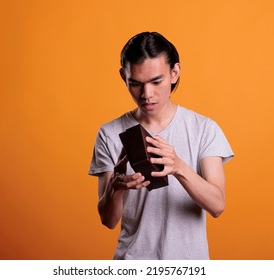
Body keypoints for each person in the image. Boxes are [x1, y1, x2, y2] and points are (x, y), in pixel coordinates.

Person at [88, 31, 234, 260]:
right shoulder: (109, 133)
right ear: (123, 77)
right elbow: (108, 221)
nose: (147, 94)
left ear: (174, 73)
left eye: (157, 82)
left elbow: (217, 206)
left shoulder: (204, 128)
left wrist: (179, 167)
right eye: (135, 83)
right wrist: (116, 187)